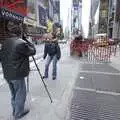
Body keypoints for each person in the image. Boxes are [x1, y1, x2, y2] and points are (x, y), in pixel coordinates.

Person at [0, 21, 36, 119]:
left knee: (14, 94)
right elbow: (33, 51)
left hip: (7, 74)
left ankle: (15, 110)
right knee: (20, 93)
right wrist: (28, 41)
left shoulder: (5, 42)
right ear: (20, 33)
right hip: (17, 75)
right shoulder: (21, 43)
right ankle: (18, 113)